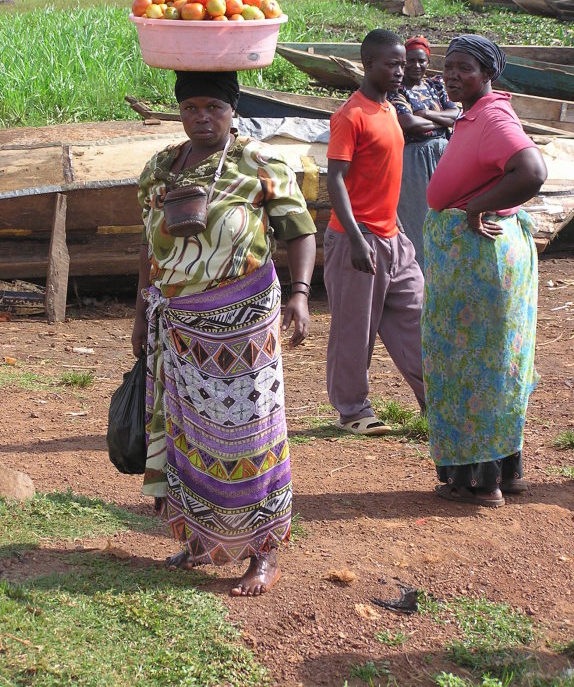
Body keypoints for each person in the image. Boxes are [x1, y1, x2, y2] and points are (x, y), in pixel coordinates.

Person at [131, 70, 317, 595]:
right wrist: (141, 313)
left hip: (244, 324)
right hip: (179, 325)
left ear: (233, 110)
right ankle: (199, 541)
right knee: (188, 437)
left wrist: (300, 296)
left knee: (251, 437)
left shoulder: (258, 163)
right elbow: (148, 249)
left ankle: (264, 553)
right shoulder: (159, 168)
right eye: (190, 107)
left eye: (213, 106)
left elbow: (299, 230)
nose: (201, 118)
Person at [423, 34, 547, 508]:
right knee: (494, 362)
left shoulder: (492, 115)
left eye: (463, 68)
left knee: (470, 367)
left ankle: (478, 481)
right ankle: (504, 471)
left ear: (487, 73)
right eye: (447, 67)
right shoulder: (474, 114)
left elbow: (531, 170)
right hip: (474, 262)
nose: (451, 75)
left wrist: (476, 208)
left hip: (478, 260)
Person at [323, 29, 426, 437]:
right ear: (368, 65)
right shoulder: (351, 115)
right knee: (354, 330)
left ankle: (436, 403)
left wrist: (396, 227)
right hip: (357, 240)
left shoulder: (388, 110)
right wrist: (354, 237)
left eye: (403, 63)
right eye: (392, 64)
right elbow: (335, 180)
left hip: (393, 238)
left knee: (418, 321)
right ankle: (352, 412)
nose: (400, 71)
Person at [389, 36, 459, 270]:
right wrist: (441, 121)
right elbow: (408, 123)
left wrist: (426, 114)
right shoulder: (397, 89)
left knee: (450, 212)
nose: (416, 66)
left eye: (421, 61)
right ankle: (422, 276)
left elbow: (456, 115)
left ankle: (450, 270)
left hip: (444, 154)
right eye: (410, 61)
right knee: (418, 215)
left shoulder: (436, 84)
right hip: (414, 158)